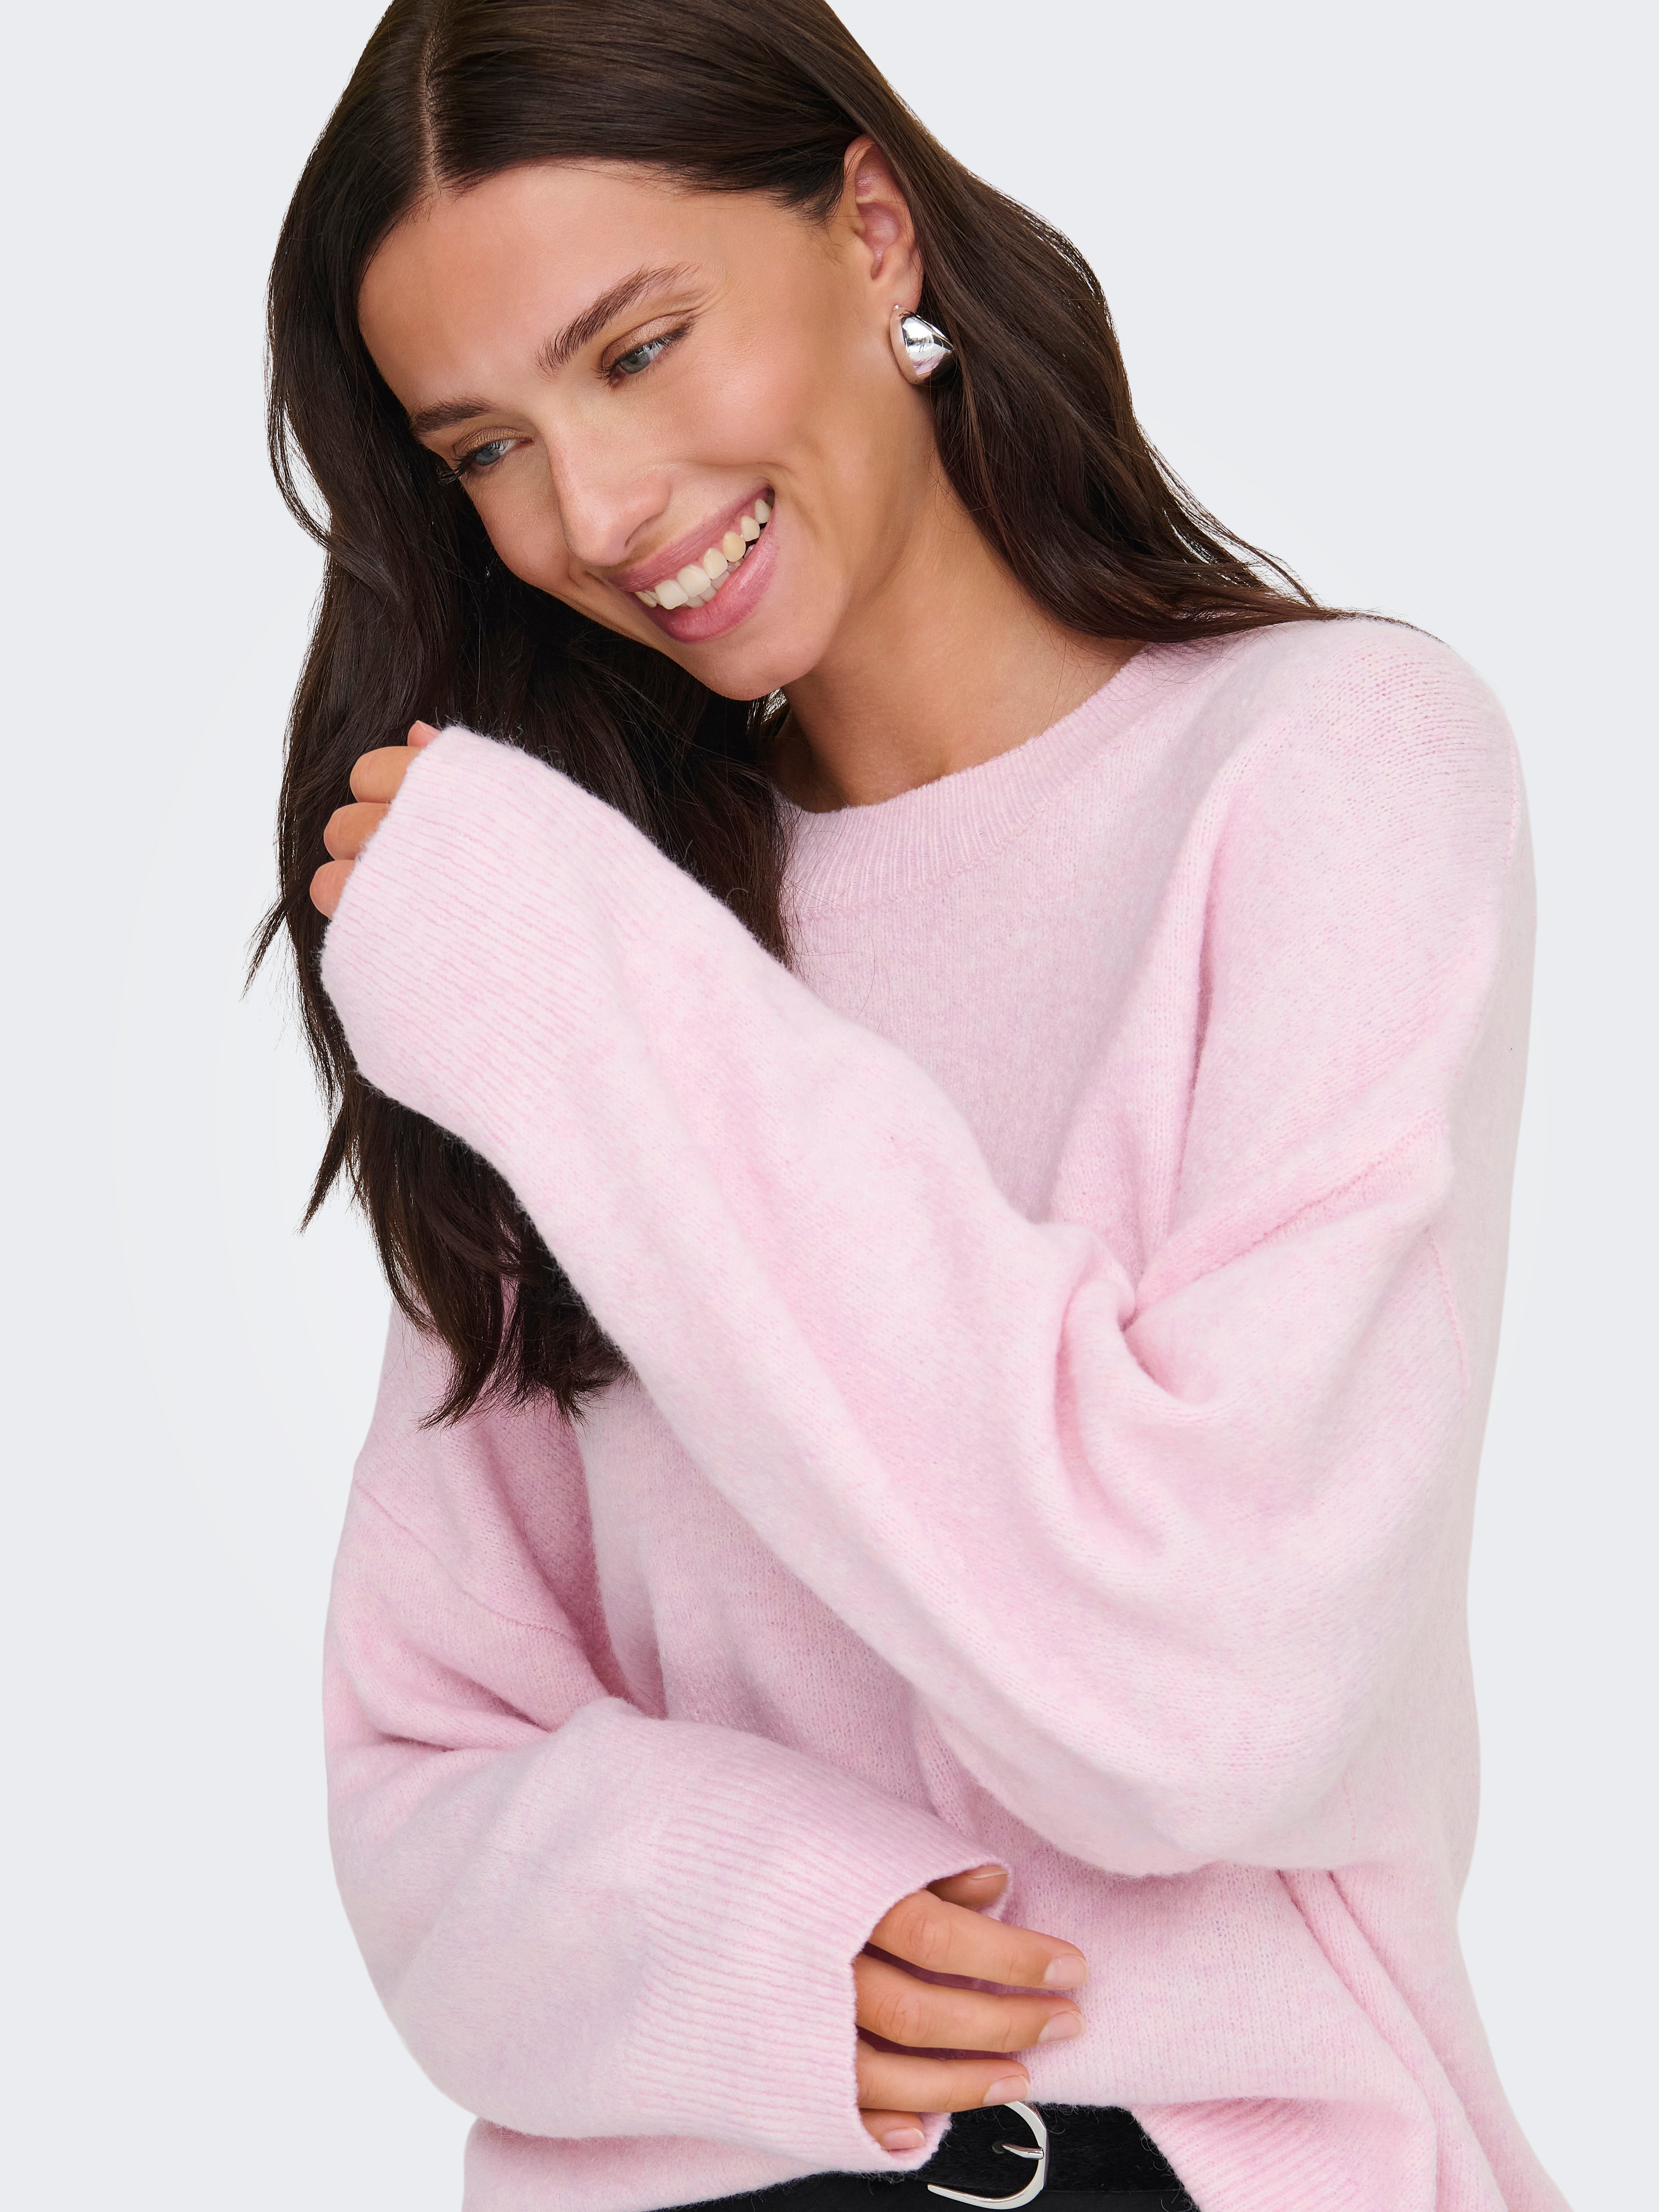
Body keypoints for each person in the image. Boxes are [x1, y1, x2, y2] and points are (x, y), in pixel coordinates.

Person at [261, 3, 1565, 2208]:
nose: (594, 511)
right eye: (484, 450)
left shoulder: (1320, 770)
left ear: (872, 230)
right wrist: (755, 1928)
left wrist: (585, 990)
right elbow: (419, 1775)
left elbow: (1211, 1687)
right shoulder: (594, 928)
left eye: (640, 348)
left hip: (1182, 2159)